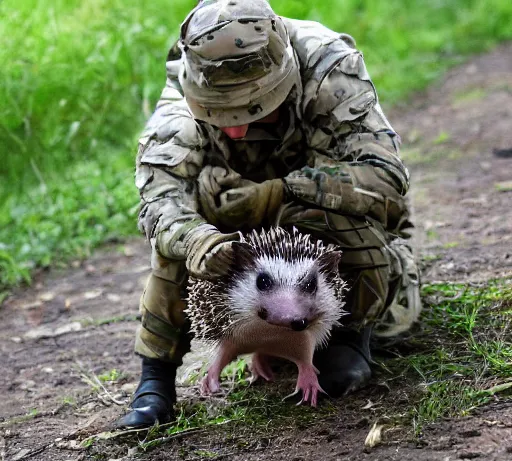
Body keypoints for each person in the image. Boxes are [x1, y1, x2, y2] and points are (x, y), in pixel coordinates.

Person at [115, 0, 421, 429]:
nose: (236, 129)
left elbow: (385, 178)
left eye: (254, 107)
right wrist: (198, 240)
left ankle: (351, 339)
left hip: (316, 220)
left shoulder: (329, 67)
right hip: (239, 232)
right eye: (218, 114)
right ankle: (155, 379)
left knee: (382, 292)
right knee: (177, 242)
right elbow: (160, 198)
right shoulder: (183, 91)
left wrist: (281, 192)